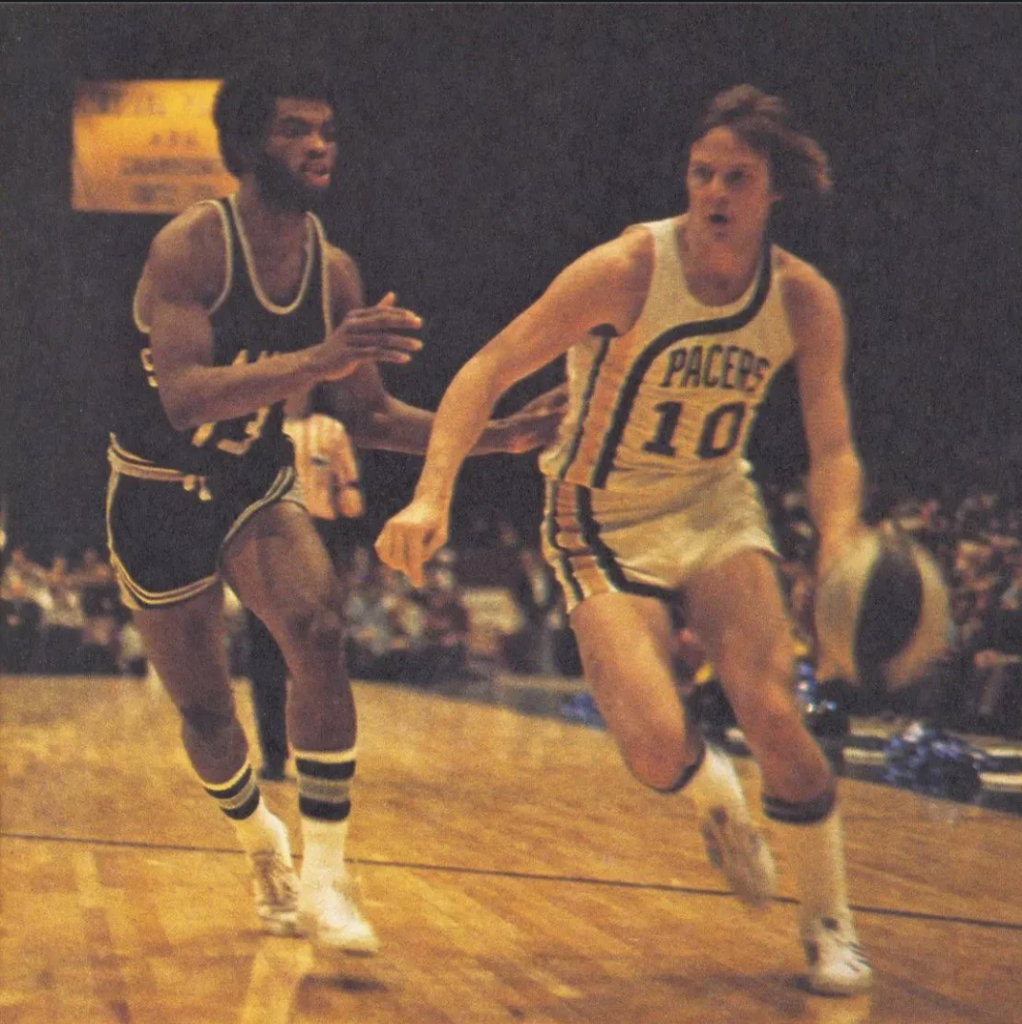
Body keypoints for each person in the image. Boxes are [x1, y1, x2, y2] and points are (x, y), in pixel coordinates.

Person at [376, 84, 873, 995]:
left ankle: (829, 921)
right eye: (701, 173)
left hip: (717, 507)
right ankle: (713, 794)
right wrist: (430, 494)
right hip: (597, 514)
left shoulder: (803, 299)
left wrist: (839, 540)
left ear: (774, 194)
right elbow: (488, 366)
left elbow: (832, 444)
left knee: (772, 708)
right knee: (652, 743)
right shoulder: (626, 268)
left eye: (736, 177)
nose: (714, 191)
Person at [105, 58, 562, 955]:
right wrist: (319, 359)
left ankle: (327, 875)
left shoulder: (334, 272)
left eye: (326, 130)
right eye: (294, 129)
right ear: (245, 146)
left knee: (318, 628)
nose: (319, 145)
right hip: (154, 496)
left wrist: (493, 436)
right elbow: (187, 398)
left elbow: (373, 414)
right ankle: (258, 840)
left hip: (251, 485)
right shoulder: (190, 248)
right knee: (206, 716)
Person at [244, 399, 366, 782]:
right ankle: (273, 756)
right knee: (264, 655)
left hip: (317, 535)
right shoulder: (255, 422)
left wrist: (346, 494)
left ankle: (320, 755)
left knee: (317, 654)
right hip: (263, 537)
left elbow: (351, 501)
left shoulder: (330, 430)